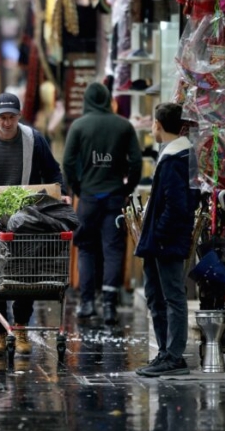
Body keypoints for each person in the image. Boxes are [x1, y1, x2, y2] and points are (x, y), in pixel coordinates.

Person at [0, 92, 69, 358]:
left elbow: (53, 171)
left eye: (12, 117)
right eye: (2, 117)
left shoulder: (34, 139)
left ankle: (20, 329)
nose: (7, 123)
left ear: (19, 116)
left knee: (24, 275)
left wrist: (60, 193)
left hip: (27, 218)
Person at [62, 82, 143, 325]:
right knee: (113, 249)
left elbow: (68, 162)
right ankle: (109, 306)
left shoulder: (79, 126)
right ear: (108, 100)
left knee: (86, 248)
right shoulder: (123, 126)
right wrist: (127, 188)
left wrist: (78, 187)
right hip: (115, 197)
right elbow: (136, 162)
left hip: (88, 198)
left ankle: (87, 303)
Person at [134, 102, 199, 377]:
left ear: (158, 125)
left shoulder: (175, 158)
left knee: (172, 296)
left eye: (153, 123)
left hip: (166, 241)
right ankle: (164, 353)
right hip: (159, 241)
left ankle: (173, 356)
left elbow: (177, 205)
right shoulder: (175, 154)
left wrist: (160, 234)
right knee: (156, 295)